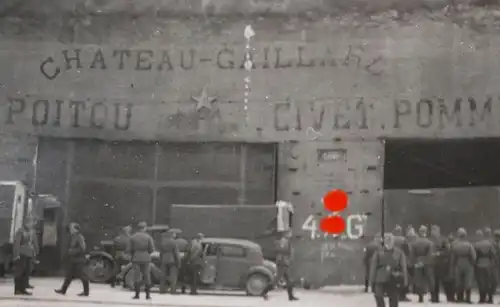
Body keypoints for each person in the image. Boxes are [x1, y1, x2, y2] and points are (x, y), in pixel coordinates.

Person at [370, 233, 408, 307]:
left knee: (393, 299)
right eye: (387, 240)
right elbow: (373, 268)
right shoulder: (378, 252)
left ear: (393, 241)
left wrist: (404, 280)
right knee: (378, 296)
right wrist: (372, 282)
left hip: (393, 278)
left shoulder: (399, 252)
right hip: (380, 278)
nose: (389, 241)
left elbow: (403, 267)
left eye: (390, 240)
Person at [261, 230, 298, 301]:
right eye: (289, 233)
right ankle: (264, 292)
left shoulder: (286, 241)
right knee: (276, 280)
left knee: (288, 280)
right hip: (282, 262)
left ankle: (290, 296)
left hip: (284, 262)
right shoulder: (283, 241)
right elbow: (281, 250)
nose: (291, 235)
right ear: (286, 234)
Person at [54, 222, 89, 297]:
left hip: (79, 260)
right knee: (69, 276)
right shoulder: (72, 236)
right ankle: (63, 290)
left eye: (71, 228)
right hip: (73, 260)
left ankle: (86, 292)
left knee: (82, 275)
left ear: (76, 229)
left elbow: (82, 248)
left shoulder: (79, 237)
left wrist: (71, 251)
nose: (70, 229)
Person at [128, 221, 155, 300]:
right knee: (147, 276)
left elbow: (129, 249)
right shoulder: (148, 237)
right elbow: (152, 249)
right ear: (145, 228)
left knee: (137, 276)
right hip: (146, 258)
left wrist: (134, 254)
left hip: (136, 258)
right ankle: (147, 295)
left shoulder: (133, 237)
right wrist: (147, 252)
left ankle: (137, 295)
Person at [450, 227, 476, 303]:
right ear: (465, 235)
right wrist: (472, 264)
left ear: (458, 235)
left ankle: (459, 298)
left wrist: (452, 266)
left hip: (458, 263)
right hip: (468, 263)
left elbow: (452, 258)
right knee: (468, 281)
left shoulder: (454, 244)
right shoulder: (469, 245)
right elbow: (474, 256)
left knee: (458, 281)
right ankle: (468, 298)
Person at [409, 225, 435, 303]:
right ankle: (433, 296)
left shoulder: (414, 243)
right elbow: (430, 254)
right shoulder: (429, 242)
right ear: (425, 232)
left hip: (417, 261)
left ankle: (420, 297)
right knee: (430, 279)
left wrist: (413, 262)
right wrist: (428, 262)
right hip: (427, 262)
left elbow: (412, 255)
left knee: (418, 279)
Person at [13, 218, 36, 295]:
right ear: (26, 223)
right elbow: (17, 243)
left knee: (26, 272)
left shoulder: (29, 232)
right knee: (20, 272)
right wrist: (16, 254)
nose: (31, 224)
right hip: (22, 254)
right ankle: (17, 289)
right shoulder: (20, 231)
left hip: (28, 254)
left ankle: (23, 289)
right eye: (30, 223)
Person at [474, 229, 497, 303]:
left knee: (481, 282)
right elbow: (493, 255)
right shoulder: (489, 244)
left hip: (479, 264)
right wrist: (492, 263)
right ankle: (490, 298)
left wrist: (475, 264)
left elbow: (474, 256)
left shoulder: (477, 244)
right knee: (488, 282)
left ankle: (482, 298)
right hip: (488, 265)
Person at [429, 225, 449, 303]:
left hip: (441, 263)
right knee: (433, 281)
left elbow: (447, 251)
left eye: (434, 230)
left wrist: (438, 254)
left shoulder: (443, 239)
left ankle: (449, 296)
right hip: (432, 263)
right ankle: (434, 298)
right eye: (432, 230)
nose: (433, 231)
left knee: (444, 280)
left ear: (438, 231)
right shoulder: (429, 239)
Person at [393, 225, 411, 301]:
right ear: (400, 231)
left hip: (392, 260)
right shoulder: (403, 239)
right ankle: (402, 295)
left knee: (393, 277)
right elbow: (408, 250)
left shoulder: (391, 239)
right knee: (403, 277)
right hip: (402, 259)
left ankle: (394, 294)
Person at [159, 229, 181, 294]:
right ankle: (172, 290)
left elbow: (161, 253)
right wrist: (178, 262)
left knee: (163, 275)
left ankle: (162, 289)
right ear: (172, 235)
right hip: (172, 260)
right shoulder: (174, 242)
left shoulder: (163, 242)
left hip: (164, 260)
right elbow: (176, 253)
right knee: (173, 276)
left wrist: (161, 259)